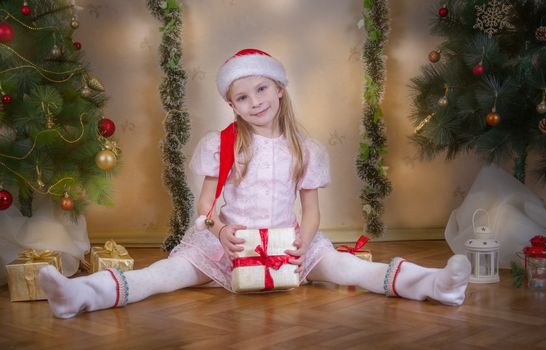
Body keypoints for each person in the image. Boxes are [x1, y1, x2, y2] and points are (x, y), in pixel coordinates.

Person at [38, 48, 471, 319]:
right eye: (242, 97)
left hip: (287, 242)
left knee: (350, 269)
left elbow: (311, 209)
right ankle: (79, 296)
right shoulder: (223, 145)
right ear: (231, 104)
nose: (255, 102)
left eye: (262, 89)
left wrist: (304, 242)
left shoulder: (305, 147)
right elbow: (204, 208)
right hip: (230, 242)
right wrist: (220, 231)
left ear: (280, 88)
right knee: (164, 275)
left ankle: (436, 285)